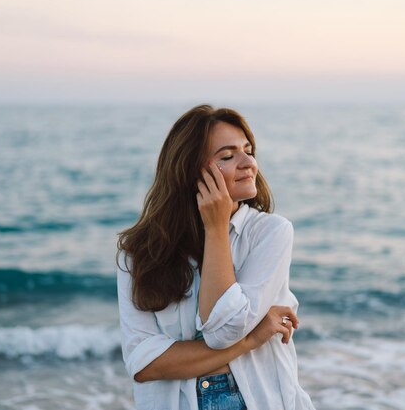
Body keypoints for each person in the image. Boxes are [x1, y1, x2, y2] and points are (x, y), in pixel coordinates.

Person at [116, 105, 315, 410]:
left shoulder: (270, 233)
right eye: (227, 156)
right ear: (191, 171)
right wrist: (251, 340)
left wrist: (216, 227)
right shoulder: (138, 251)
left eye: (248, 151)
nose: (249, 163)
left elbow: (223, 332)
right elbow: (144, 366)